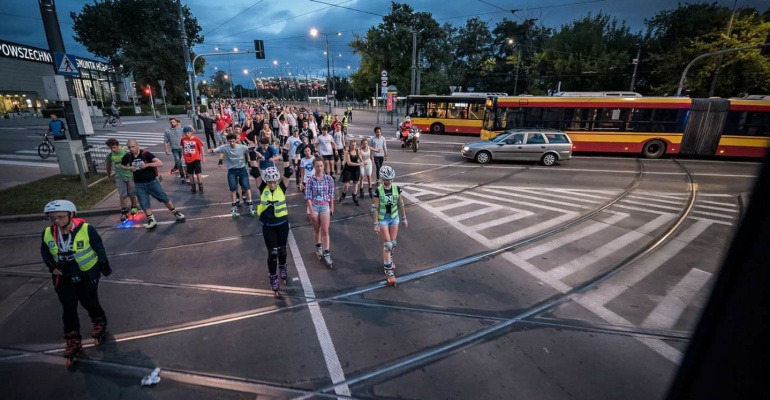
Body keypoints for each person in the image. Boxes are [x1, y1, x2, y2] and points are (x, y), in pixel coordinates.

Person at [40, 200, 111, 361]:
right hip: (63, 276)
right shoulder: (48, 232)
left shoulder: (86, 229)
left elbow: (98, 246)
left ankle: (99, 321)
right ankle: (72, 338)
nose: (56, 221)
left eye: (60, 217)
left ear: (71, 214)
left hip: (86, 273)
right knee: (68, 307)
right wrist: (51, 266)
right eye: (52, 218)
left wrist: (103, 263)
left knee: (89, 301)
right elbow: (45, 250)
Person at [120, 139, 186, 230]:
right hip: (139, 183)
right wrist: (129, 168)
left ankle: (176, 212)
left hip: (152, 181)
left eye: (133, 147)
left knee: (163, 197)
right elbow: (121, 165)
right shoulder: (128, 156)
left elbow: (160, 163)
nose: (131, 149)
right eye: (129, 147)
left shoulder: (145, 154)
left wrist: (147, 165)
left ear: (137, 145)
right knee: (144, 202)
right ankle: (151, 220)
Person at [254, 165, 293, 296]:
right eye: (269, 182)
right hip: (268, 226)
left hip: (282, 223)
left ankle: (283, 267)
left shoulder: (282, 187)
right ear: (266, 181)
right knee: (273, 252)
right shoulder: (262, 188)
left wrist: (287, 156)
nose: (272, 184)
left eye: (274, 181)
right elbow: (255, 173)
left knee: (282, 249)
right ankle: (273, 277)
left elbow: (288, 172)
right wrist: (253, 154)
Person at [372, 166, 407, 286]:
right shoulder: (378, 191)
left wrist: (404, 218)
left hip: (394, 217)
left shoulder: (397, 189)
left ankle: (389, 261)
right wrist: (376, 223)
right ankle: (388, 270)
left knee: (393, 243)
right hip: (383, 219)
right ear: (382, 179)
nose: (390, 182)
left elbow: (401, 204)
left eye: (391, 179)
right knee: (388, 244)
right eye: (387, 180)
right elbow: (375, 208)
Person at [305, 156, 335, 267]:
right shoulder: (310, 180)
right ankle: (318, 246)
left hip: (324, 206)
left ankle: (327, 253)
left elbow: (331, 194)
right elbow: (308, 197)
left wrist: (332, 207)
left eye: (321, 166)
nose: (319, 168)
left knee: (325, 230)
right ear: (314, 167)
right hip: (314, 206)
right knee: (316, 229)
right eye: (317, 166)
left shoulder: (329, 179)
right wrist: (311, 211)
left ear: (324, 166)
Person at [217, 132, 256, 217]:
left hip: (242, 169)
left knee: (246, 186)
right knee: (233, 188)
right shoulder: (225, 147)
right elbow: (219, 150)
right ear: (228, 141)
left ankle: (250, 204)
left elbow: (250, 151)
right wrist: (218, 158)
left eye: (233, 141)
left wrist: (251, 160)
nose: (232, 143)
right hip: (232, 170)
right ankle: (234, 205)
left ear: (236, 140)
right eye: (230, 141)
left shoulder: (242, 146)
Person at [104, 138, 139, 222]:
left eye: (114, 147)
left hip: (130, 175)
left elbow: (133, 162)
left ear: (117, 145)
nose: (113, 149)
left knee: (132, 193)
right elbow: (108, 166)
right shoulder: (110, 155)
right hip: (119, 177)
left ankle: (134, 207)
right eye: (110, 148)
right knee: (122, 195)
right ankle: (124, 211)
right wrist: (109, 176)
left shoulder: (125, 152)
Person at [180, 126, 205, 193]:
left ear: (191, 132)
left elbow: (201, 148)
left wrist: (203, 157)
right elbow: (183, 147)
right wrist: (182, 156)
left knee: (198, 173)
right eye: (185, 133)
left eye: (188, 132)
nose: (187, 134)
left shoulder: (196, 139)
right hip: (187, 159)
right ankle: (193, 186)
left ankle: (200, 186)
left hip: (196, 158)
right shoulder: (183, 139)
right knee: (190, 173)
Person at [163, 118, 187, 183]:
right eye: (171, 122)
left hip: (182, 148)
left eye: (173, 122)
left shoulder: (181, 129)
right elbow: (165, 141)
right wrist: (166, 149)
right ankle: (182, 176)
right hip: (174, 149)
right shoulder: (167, 131)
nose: (172, 123)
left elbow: (188, 135)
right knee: (178, 162)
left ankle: (187, 175)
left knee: (184, 162)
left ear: (176, 122)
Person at [338, 140, 362, 206]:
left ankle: (354, 196)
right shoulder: (347, 152)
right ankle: (343, 194)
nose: (354, 146)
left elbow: (360, 157)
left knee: (355, 183)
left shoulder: (358, 151)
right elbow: (349, 163)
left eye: (355, 145)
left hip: (356, 169)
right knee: (346, 184)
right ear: (350, 145)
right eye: (352, 145)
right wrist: (360, 163)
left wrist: (363, 161)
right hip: (348, 168)